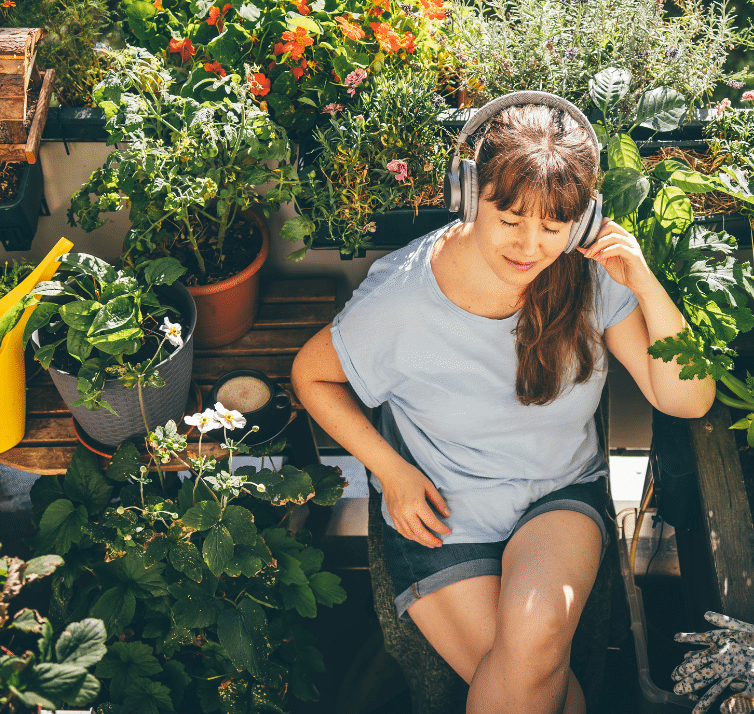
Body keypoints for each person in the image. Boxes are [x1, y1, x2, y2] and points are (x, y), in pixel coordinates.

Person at [291, 99, 716, 714]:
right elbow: (313, 377)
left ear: (584, 219)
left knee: (536, 638)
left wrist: (643, 281)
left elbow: (686, 396)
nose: (530, 246)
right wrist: (391, 473)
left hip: (558, 494)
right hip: (446, 512)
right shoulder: (402, 298)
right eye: (511, 217)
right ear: (468, 195)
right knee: (536, 686)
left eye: (553, 226)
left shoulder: (591, 276)